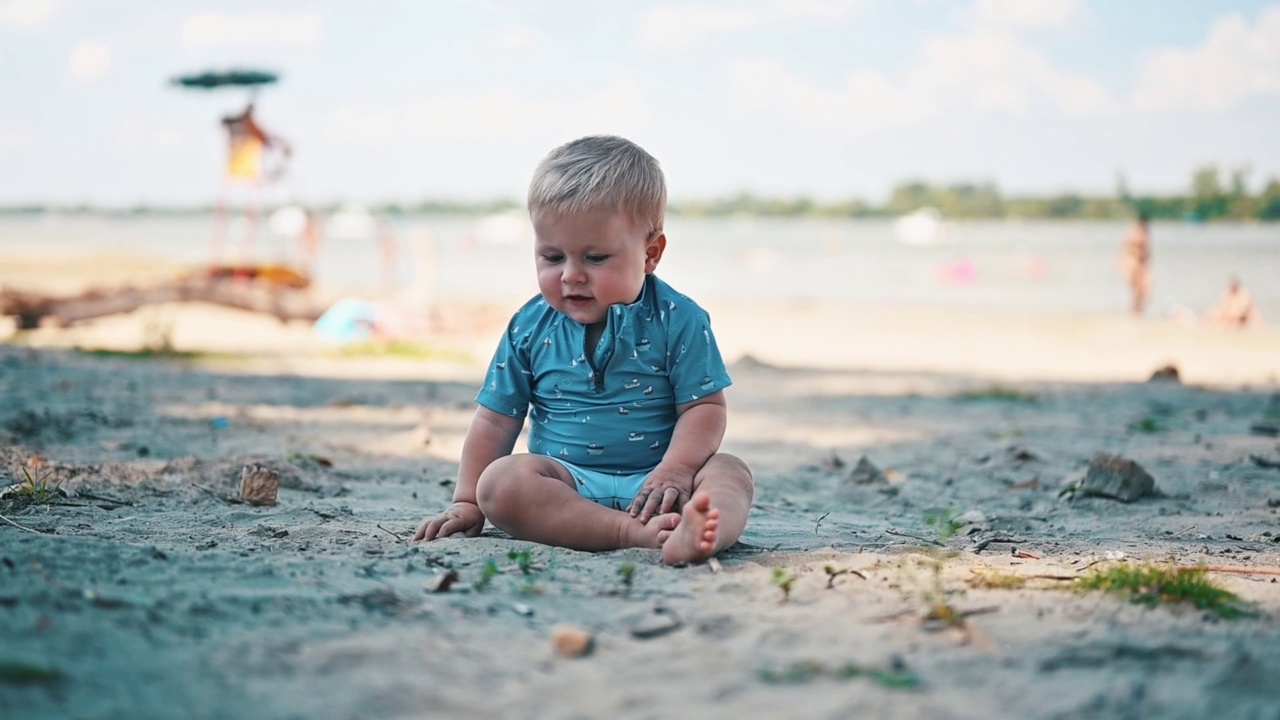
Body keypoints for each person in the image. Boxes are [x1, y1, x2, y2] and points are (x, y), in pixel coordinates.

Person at [412, 135, 754, 566]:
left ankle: (703, 532)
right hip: (566, 485)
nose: (571, 276)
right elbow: (496, 420)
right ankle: (628, 532)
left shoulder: (679, 318)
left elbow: (704, 408)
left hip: (662, 484)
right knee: (500, 482)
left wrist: (677, 469)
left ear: (650, 254)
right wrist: (467, 502)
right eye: (553, 257)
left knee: (730, 472)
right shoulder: (529, 326)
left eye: (595, 258)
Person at [213, 102, 292, 269]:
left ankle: (236, 266)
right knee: (245, 214)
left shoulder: (243, 126)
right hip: (245, 166)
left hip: (244, 167)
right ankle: (233, 267)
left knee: (244, 215)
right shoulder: (249, 127)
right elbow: (270, 140)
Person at [1120, 211, 1151, 315]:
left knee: (1142, 289)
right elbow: (1126, 248)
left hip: (1139, 264)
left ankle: (1136, 310)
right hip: (1134, 263)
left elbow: (1145, 252)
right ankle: (1135, 310)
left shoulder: (1143, 232)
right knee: (1138, 289)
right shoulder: (1136, 232)